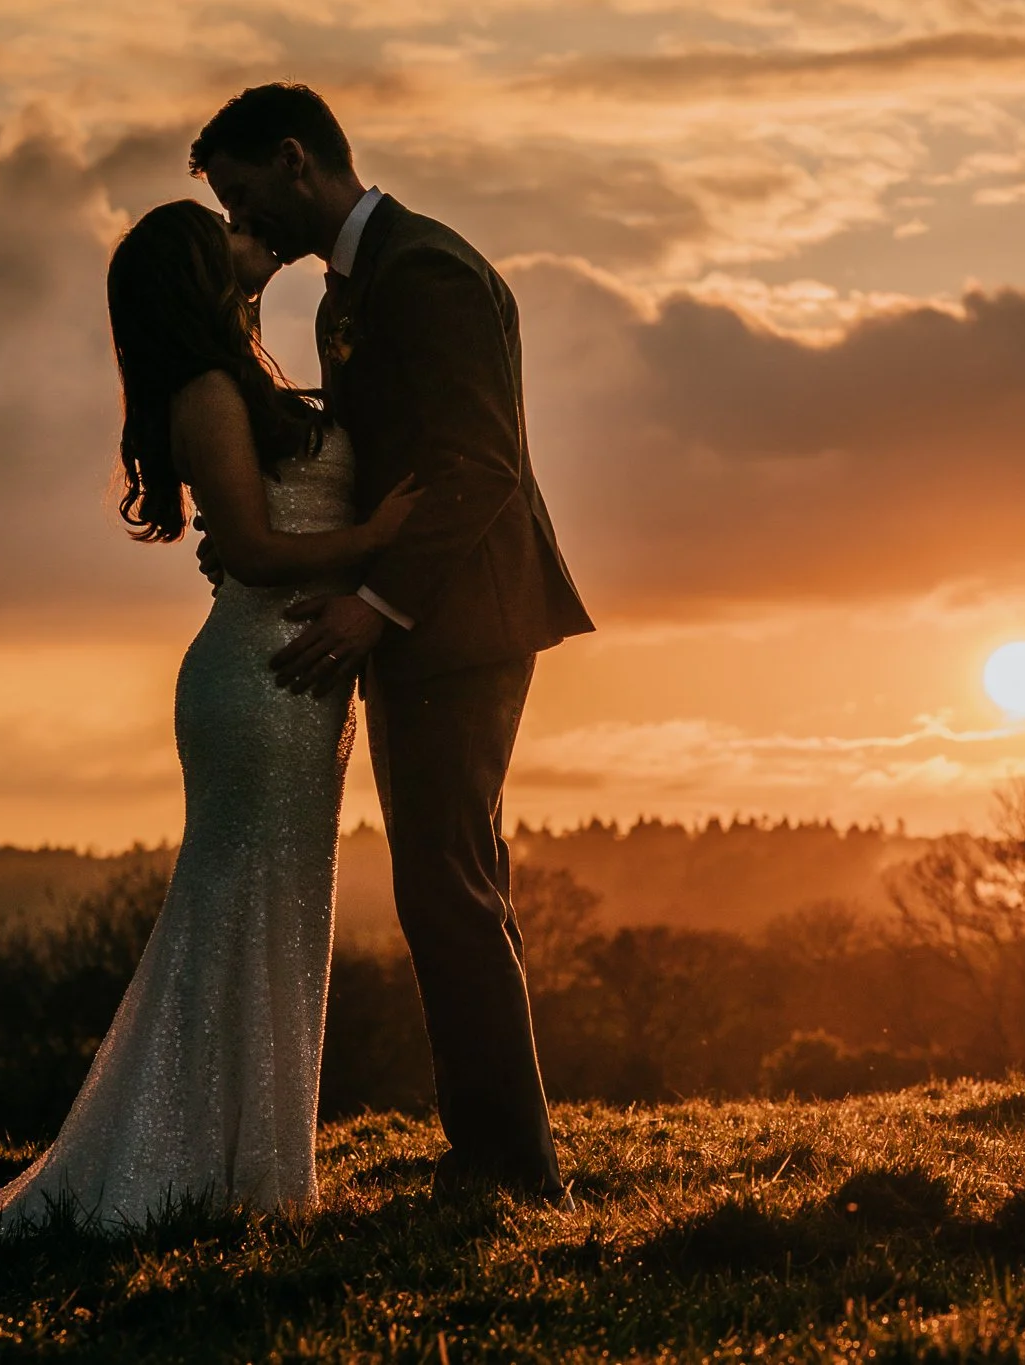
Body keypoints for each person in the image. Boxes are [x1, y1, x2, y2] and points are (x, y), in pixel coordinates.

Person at [0, 200, 421, 1250]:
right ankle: (181, 1168)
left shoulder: (245, 373)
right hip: (260, 680)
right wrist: (376, 537)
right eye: (226, 236)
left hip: (299, 679)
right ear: (198, 274)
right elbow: (245, 546)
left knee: (280, 916)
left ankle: (251, 1173)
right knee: (235, 915)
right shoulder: (204, 389)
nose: (250, 240)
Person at [190, 82, 592, 1198]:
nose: (241, 224)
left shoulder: (427, 272)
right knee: (454, 881)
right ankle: (505, 1157)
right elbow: (360, 450)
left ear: (293, 160)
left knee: (445, 886)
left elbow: (478, 465)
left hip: (461, 622)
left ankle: (507, 1170)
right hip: (428, 625)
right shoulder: (345, 296)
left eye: (242, 198)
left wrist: (378, 607)